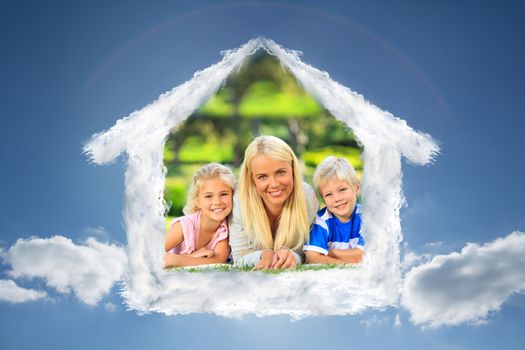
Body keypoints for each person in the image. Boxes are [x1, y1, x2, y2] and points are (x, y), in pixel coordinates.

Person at [229, 135, 318, 269]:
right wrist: (262, 255)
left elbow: (308, 252)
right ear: (252, 178)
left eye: (281, 172)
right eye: (262, 177)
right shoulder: (239, 198)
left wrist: (293, 256)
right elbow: (239, 256)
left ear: (293, 170)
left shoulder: (307, 197)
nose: (274, 184)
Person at [164, 163, 235, 268]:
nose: (217, 201)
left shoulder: (224, 229)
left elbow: (219, 260)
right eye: (208, 196)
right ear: (198, 201)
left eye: (224, 194)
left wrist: (177, 260)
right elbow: (153, 255)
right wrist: (191, 257)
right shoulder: (184, 226)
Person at [304, 156, 365, 264]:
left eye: (342, 190)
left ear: (356, 189)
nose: (337, 199)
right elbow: (312, 257)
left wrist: (331, 252)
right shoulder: (321, 220)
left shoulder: (366, 217)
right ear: (323, 199)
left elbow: (365, 255)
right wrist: (347, 265)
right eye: (328, 194)